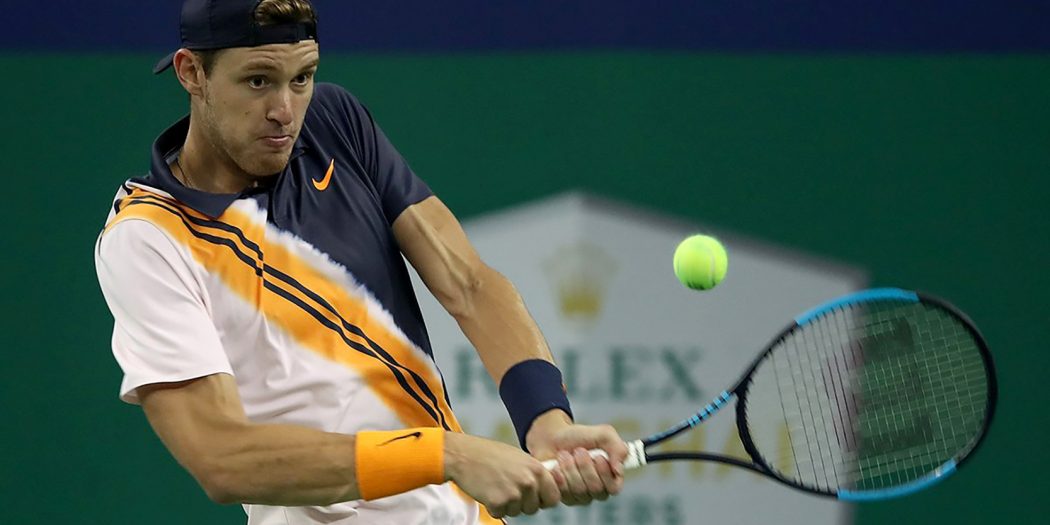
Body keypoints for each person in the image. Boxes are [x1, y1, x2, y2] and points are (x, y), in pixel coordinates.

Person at [93, 0, 628, 523]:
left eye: (302, 78)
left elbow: (470, 284)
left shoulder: (334, 123)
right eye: (258, 81)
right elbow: (222, 458)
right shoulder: (148, 238)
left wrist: (546, 420)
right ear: (192, 73)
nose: (284, 111)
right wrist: (445, 454)